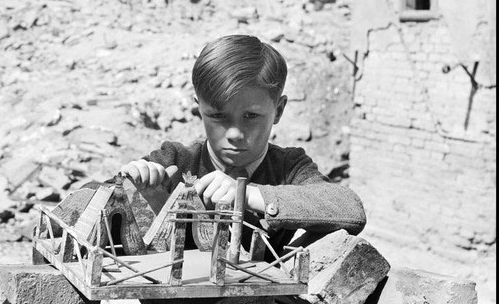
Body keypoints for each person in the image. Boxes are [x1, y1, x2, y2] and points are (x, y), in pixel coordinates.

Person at [119, 34, 366, 253]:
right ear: (199, 109)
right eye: (218, 116)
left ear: (278, 110)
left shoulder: (289, 167)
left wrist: (248, 194)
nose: (235, 133)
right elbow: (84, 201)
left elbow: (349, 208)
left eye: (250, 116)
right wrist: (133, 192)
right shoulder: (173, 161)